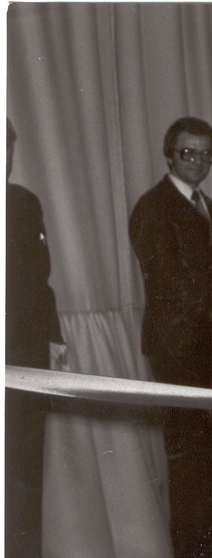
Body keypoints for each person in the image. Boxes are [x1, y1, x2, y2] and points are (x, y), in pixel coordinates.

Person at [129, 117, 212, 558]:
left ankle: (203, 544)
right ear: (169, 155)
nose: (197, 161)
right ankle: (188, 550)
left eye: (206, 154)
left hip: (211, 347)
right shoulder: (152, 208)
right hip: (175, 348)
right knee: (187, 457)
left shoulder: (210, 209)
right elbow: (168, 280)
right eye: (187, 153)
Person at [6, 118, 69, 558]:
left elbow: (40, 284)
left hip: (25, 362)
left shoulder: (24, 203)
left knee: (24, 478)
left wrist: (55, 341)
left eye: (6, 147)